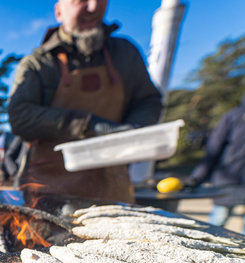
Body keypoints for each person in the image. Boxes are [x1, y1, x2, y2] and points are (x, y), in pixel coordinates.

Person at [8, 0, 162, 204]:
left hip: (113, 190)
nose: (93, 7)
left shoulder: (125, 53)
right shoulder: (39, 63)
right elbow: (20, 117)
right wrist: (86, 124)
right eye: (80, 1)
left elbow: (148, 100)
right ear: (59, 11)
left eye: (100, 0)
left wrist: (132, 130)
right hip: (51, 191)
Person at [185, 82, 245, 238]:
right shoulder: (234, 117)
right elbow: (213, 150)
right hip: (227, 183)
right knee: (217, 225)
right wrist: (196, 178)